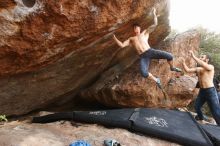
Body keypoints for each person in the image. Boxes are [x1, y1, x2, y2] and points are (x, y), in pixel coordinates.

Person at [112, 8, 182, 89]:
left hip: (150, 51)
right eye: (134, 28)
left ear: (139, 28)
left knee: (170, 56)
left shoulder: (145, 33)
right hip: (143, 56)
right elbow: (122, 45)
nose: (136, 29)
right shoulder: (132, 39)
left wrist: (154, 14)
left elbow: (155, 24)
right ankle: (156, 80)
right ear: (133, 30)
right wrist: (114, 38)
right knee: (144, 73)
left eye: (137, 27)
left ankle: (172, 67)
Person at [181, 51, 220, 125]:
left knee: (215, 110)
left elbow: (203, 64)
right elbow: (188, 70)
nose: (200, 58)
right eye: (200, 57)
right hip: (202, 91)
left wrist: (193, 56)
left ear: (207, 59)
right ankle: (201, 119)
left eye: (202, 57)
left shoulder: (211, 67)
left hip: (210, 91)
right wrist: (183, 62)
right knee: (197, 106)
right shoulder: (198, 68)